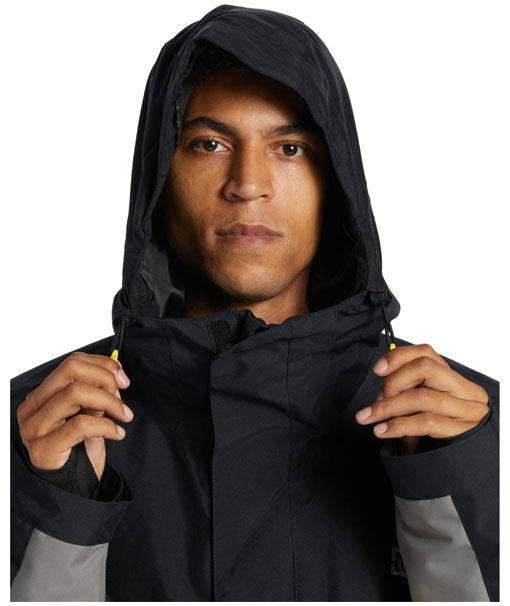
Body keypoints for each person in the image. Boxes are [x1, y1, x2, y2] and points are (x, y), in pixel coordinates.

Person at [10, 4, 499, 602]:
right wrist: (59, 507)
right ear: (160, 177)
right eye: (210, 143)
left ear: (337, 182)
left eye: (289, 148)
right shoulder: (35, 428)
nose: (247, 184)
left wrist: (454, 482)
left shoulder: (469, 430)